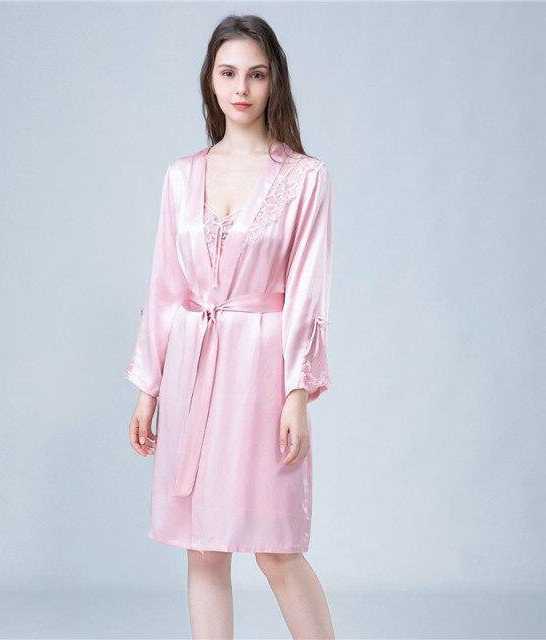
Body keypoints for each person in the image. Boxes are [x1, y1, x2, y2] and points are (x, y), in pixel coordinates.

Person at [124, 14, 335, 639]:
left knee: (276, 547)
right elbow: (166, 288)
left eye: (256, 74)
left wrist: (297, 393)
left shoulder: (304, 178)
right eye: (228, 73)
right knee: (204, 548)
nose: (241, 88)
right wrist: (149, 388)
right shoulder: (182, 176)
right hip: (191, 371)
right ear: (210, 81)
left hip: (263, 372)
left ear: (275, 83)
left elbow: (306, 294)